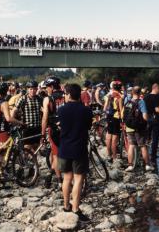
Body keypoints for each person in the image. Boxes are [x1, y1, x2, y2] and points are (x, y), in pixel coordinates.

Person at [58, 84, 92, 221]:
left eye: (65, 94)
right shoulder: (86, 111)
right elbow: (88, 126)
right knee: (78, 179)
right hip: (79, 148)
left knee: (67, 178)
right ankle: (76, 209)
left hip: (64, 148)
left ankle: (66, 206)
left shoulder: (61, 110)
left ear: (68, 94)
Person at [41, 76, 65, 188]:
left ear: (51, 86)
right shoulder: (67, 96)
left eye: (47, 87)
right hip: (67, 128)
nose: (46, 89)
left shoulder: (48, 99)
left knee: (56, 156)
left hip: (54, 130)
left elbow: (45, 118)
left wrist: (42, 134)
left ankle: (59, 181)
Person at [124, 86, 154, 172]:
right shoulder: (141, 102)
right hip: (139, 128)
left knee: (131, 145)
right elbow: (145, 117)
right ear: (140, 93)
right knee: (142, 146)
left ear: (132, 92)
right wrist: (149, 120)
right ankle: (147, 165)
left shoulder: (127, 100)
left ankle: (130, 165)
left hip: (129, 126)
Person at [11, 81, 42, 150]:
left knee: (36, 148)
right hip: (27, 128)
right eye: (31, 89)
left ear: (37, 89)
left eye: (34, 89)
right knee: (27, 148)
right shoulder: (23, 98)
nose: (33, 91)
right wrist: (13, 122)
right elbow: (14, 110)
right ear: (27, 89)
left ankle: (34, 161)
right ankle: (27, 161)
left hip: (37, 127)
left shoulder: (39, 98)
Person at [144, 83, 159, 162]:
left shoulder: (146, 96)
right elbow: (157, 109)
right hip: (155, 119)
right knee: (155, 138)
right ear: (156, 88)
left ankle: (144, 154)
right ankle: (153, 156)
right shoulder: (156, 97)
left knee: (147, 137)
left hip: (147, 119)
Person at [103, 80, 123, 162]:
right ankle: (114, 157)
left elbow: (104, 108)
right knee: (115, 138)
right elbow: (121, 110)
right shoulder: (119, 96)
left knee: (108, 136)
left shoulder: (108, 95)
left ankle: (109, 155)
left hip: (109, 116)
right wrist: (123, 120)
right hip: (116, 118)